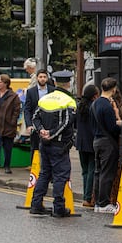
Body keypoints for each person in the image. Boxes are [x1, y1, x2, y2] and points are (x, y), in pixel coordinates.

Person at [29, 89, 76, 217]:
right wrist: (51, 134)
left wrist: (41, 131)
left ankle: (36, 205)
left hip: (44, 144)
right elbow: (66, 123)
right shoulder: (68, 101)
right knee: (60, 176)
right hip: (59, 145)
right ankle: (59, 208)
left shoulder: (45, 99)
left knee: (44, 174)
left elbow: (35, 118)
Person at [91, 77, 122, 213]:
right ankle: (104, 203)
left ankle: (98, 202)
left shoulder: (95, 103)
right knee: (107, 173)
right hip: (107, 142)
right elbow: (112, 127)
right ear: (114, 89)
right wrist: (120, 124)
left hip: (96, 140)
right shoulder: (107, 106)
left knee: (98, 172)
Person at [0, 75, 21, 176]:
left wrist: (12, 121)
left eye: (0, 82)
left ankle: (7, 165)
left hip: (8, 126)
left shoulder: (14, 96)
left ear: (6, 84)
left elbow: (17, 111)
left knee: (8, 148)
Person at [75, 83, 99, 208]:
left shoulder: (79, 106)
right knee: (91, 170)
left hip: (81, 142)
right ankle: (88, 197)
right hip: (91, 141)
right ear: (94, 96)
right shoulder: (93, 107)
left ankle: (85, 195)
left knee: (84, 171)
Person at [22, 69, 54, 159]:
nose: (42, 79)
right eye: (40, 77)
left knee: (49, 147)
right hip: (35, 123)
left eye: (44, 77)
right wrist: (29, 125)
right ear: (37, 78)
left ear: (47, 78)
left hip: (49, 123)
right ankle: (35, 168)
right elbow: (27, 109)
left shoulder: (52, 91)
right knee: (35, 147)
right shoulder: (31, 91)